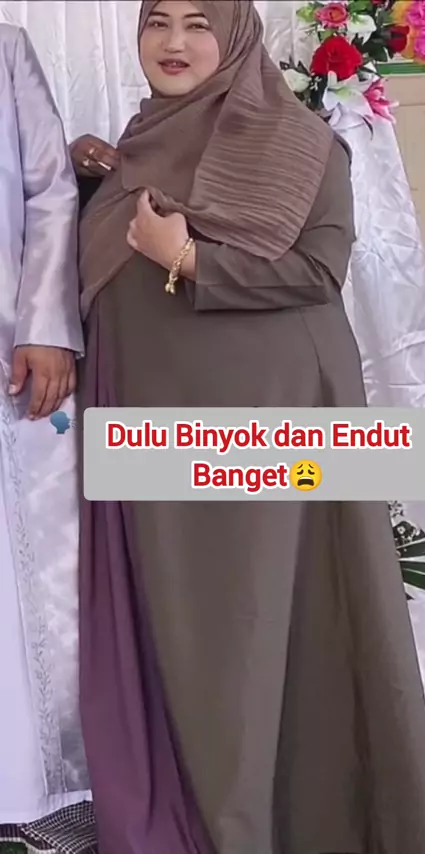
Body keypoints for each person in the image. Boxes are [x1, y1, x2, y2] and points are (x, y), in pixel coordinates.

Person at [77, 2, 425, 854]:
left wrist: (187, 258)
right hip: (152, 410)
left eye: (199, 23)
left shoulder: (297, 139)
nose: (174, 43)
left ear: (237, 35)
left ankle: (294, 822)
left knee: (270, 612)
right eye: (157, 22)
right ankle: (190, 816)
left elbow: (320, 267)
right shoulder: (137, 143)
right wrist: (92, 182)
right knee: (180, 617)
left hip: (275, 412)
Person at [0, 19, 90, 850]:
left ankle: (42, 794)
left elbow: (52, 191)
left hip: (11, 362)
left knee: (31, 577)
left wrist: (48, 326)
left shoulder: (3, 49)